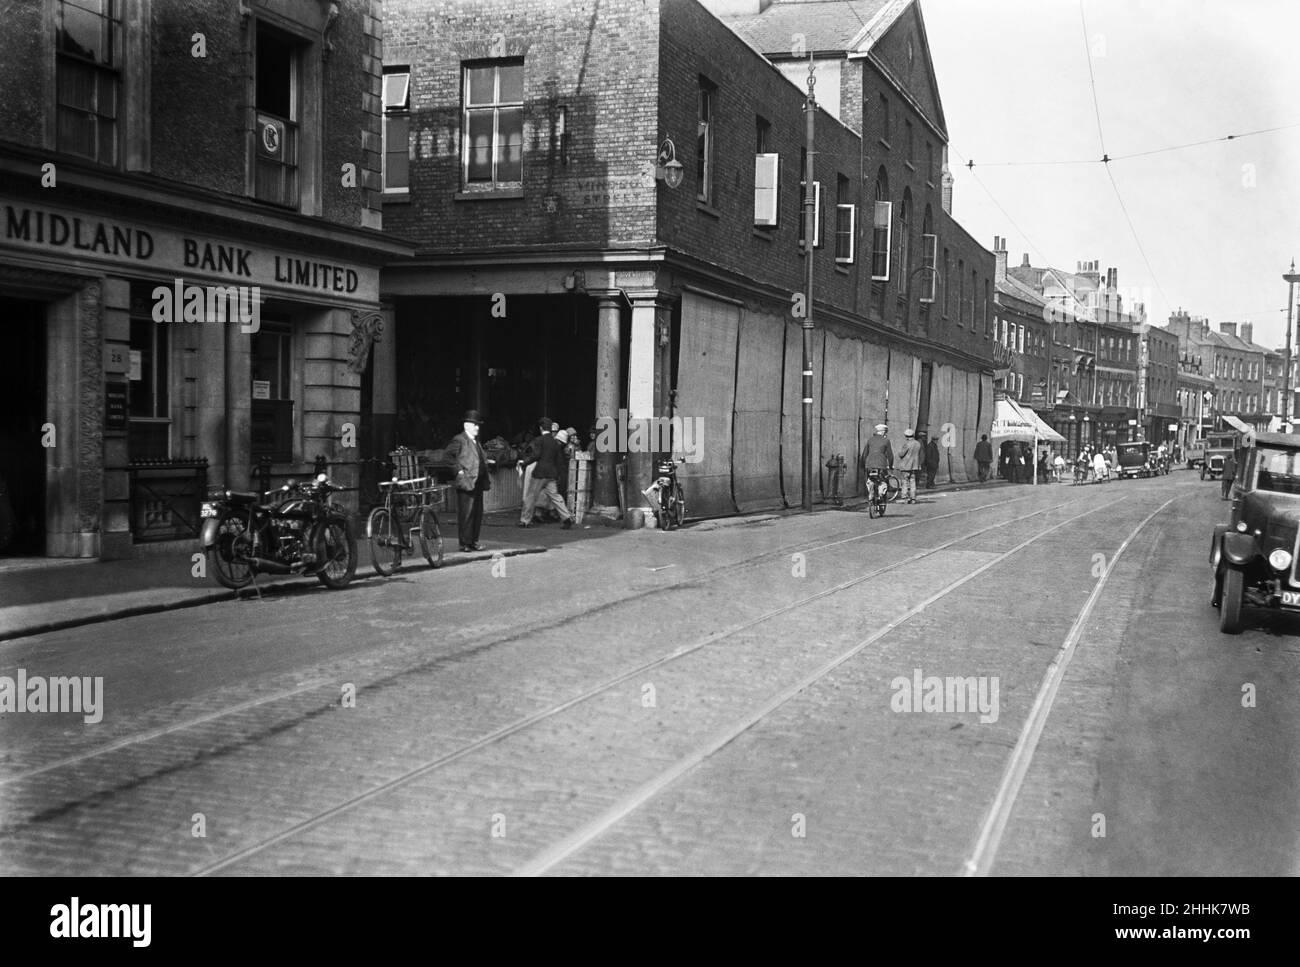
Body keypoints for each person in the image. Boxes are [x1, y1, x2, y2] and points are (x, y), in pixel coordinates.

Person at [444, 410, 492, 551]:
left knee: (477, 513)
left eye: (478, 425)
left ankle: (473, 541)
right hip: (467, 481)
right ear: (467, 426)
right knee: (466, 513)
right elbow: (447, 457)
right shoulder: (459, 440)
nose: (477, 427)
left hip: (477, 481)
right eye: (475, 425)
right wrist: (459, 471)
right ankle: (464, 543)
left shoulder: (475, 441)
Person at [517, 417, 574, 529]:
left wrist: (524, 462)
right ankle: (567, 518)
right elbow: (559, 461)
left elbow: (535, 456)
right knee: (556, 497)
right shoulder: (555, 443)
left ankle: (525, 520)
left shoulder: (539, 440)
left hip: (540, 473)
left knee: (530, 496)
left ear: (541, 428)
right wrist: (559, 475)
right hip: (551, 474)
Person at [861, 423, 894, 503]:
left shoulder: (870, 440)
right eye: (885, 432)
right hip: (881, 464)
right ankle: (880, 494)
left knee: (870, 479)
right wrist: (890, 465)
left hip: (869, 464)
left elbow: (864, 454)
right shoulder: (886, 440)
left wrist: (863, 464)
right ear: (883, 432)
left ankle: (871, 492)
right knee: (883, 480)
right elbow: (890, 455)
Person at [897, 428, 922, 503]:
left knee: (905, 482)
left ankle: (905, 497)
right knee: (912, 482)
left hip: (906, 466)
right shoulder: (918, 443)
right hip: (914, 466)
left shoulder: (907, 444)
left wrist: (899, 452)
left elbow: (901, 454)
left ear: (906, 436)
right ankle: (913, 498)